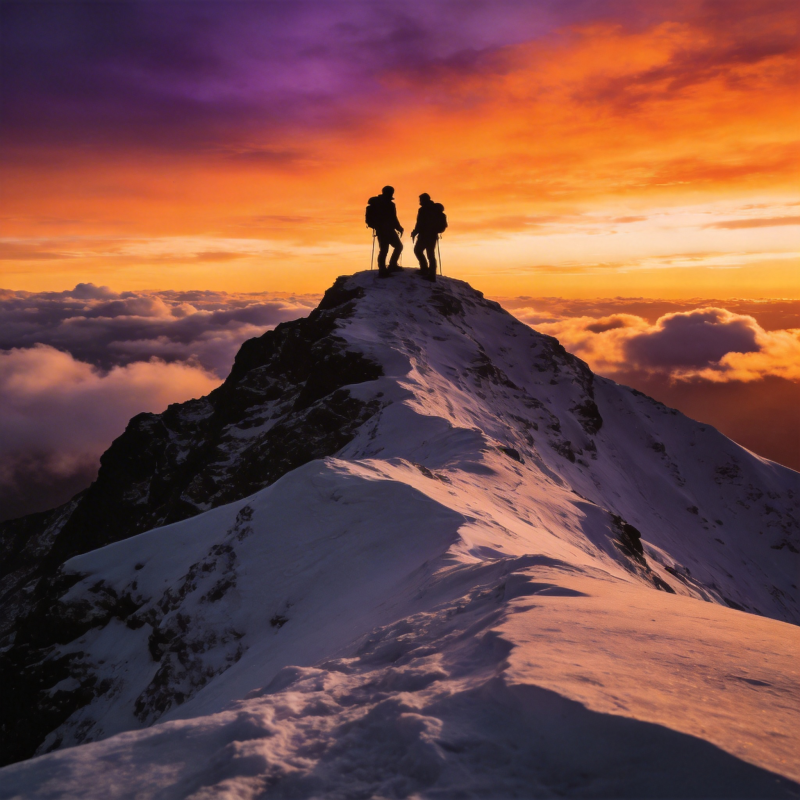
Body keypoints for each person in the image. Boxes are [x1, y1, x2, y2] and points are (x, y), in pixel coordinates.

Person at [365, 186, 404, 277]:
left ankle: (386, 268)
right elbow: (393, 218)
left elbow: (393, 218)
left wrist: (398, 227)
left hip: (382, 230)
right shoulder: (390, 205)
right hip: (387, 230)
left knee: (387, 249)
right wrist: (399, 228)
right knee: (393, 247)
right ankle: (388, 267)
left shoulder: (377, 203)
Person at [411, 194, 447, 282]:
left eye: (420, 199)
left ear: (424, 200)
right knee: (429, 254)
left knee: (419, 251)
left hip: (424, 235)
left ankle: (426, 271)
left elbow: (419, 223)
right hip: (431, 235)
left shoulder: (423, 210)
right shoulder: (435, 209)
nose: (420, 201)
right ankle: (430, 273)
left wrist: (415, 232)